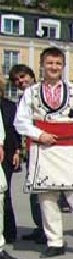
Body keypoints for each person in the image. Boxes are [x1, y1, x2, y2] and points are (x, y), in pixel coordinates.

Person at [14, 47, 73, 259]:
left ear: (63, 66)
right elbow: (20, 121)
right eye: (49, 63)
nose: (53, 67)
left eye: (57, 63)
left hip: (69, 149)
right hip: (43, 149)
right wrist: (38, 134)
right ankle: (54, 241)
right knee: (47, 197)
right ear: (42, 65)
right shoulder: (32, 92)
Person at [7, 65, 46, 244]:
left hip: (46, 146)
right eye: (16, 80)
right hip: (31, 148)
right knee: (34, 190)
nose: (20, 82)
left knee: (45, 190)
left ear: (31, 75)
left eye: (23, 77)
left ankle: (47, 229)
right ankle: (41, 227)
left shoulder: (43, 92)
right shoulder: (22, 99)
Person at [2, 71, 23, 245]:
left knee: (5, 193)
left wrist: (17, 150)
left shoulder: (8, 106)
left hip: (7, 152)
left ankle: (9, 232)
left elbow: (14, 130)